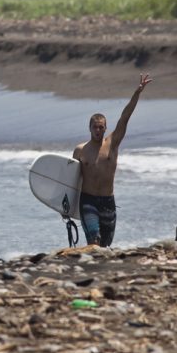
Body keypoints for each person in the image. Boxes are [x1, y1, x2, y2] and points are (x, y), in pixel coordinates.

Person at [72, 74, 152, 247]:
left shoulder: (112, 144)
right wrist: (65, 208)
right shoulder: (80, 151)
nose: (98, 130)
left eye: (101, 127)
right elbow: (70, 181)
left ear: (105, 128)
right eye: (95, 127)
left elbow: (125, 116)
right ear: (89, 128)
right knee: (94, 239)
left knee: (105, 246)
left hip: (108, 202)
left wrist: (137, 92)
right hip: (88, 201)